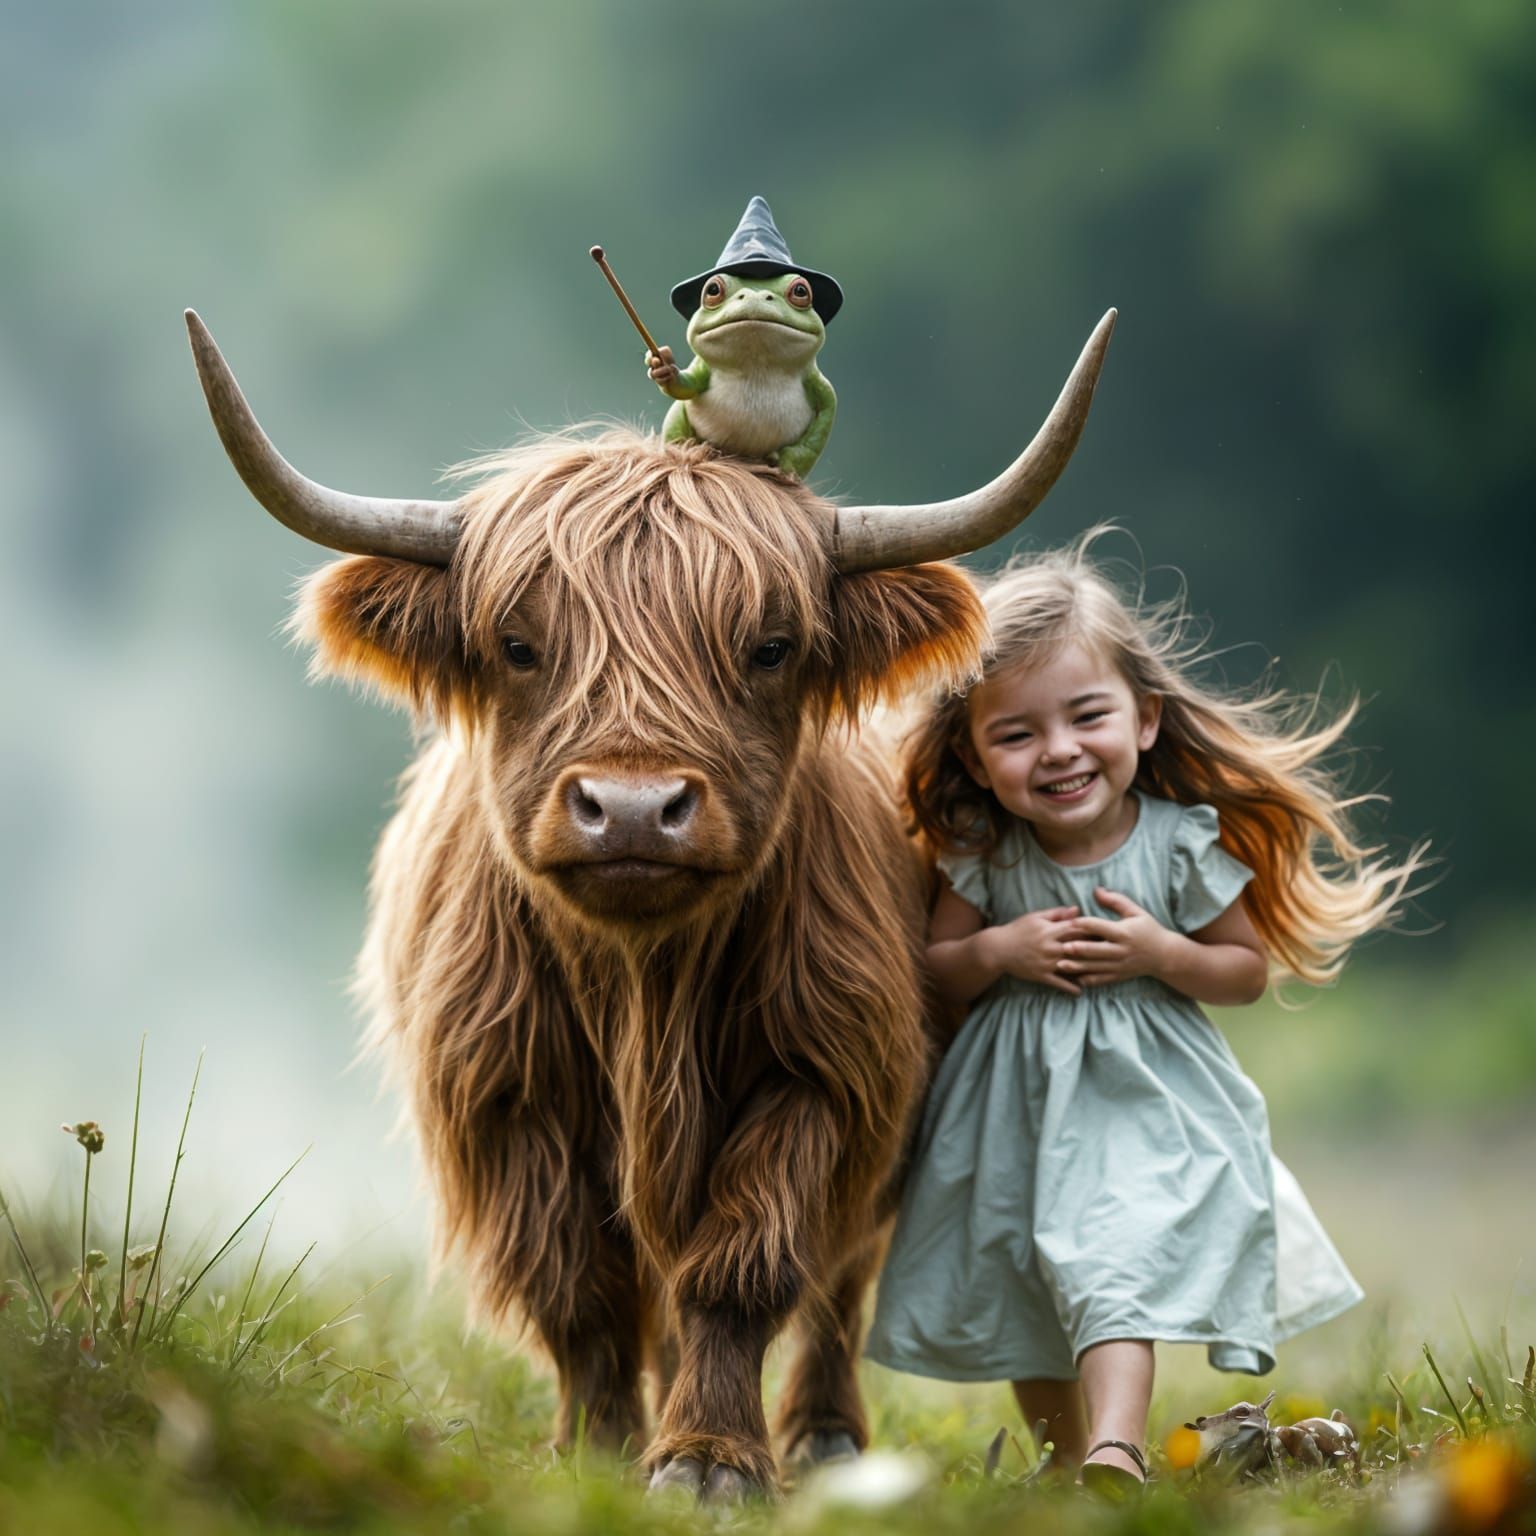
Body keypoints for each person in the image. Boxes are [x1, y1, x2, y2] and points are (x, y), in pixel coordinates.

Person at [863, 530, 1429, 1493]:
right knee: (1029, 1282)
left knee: (1113, 1258)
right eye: (1016, 734)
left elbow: (1242, 971)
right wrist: (999, 950)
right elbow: (938, 970)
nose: (1059, 750)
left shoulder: (1177, 843)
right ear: (974, 755)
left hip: (1144, 1104)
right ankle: (1067, 1457)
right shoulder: (984, 854)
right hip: (1014, 1111)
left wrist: (1161, 953)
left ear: (1147, 719)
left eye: (1088, 716)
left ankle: (1118, 1446)